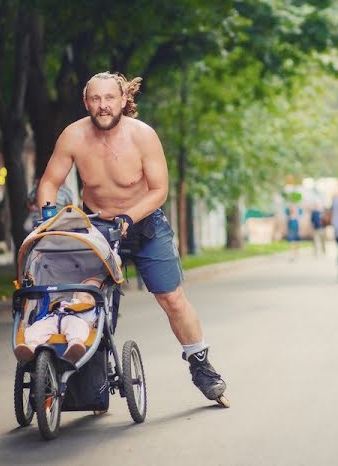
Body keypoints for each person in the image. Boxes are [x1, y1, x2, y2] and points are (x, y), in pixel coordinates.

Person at [37, 71, 226, 404]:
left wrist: (129, 216)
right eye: (95, 99)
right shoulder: (73, 136)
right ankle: (85, 377)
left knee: (172, 298)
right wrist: (48, 217)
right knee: (85, 302)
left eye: (109, 98)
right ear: (86, 102)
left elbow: (159, 190)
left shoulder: (143, 136)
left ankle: (201, 365)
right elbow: (50, 182)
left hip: (144, 225)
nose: (103, 106)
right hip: (96, 227)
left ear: (123, 99)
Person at [14, 277, 103, 363]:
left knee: (78, 326)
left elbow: (96, 323)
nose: (90, 293)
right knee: (38, 327)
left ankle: (75, 346)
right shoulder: (63, 303)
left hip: (75, 321)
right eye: (86, 288)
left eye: (94, 291)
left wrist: (91, 324)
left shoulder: (93, 310)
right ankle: (32, 347)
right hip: (54, 319)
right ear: (75, 294)